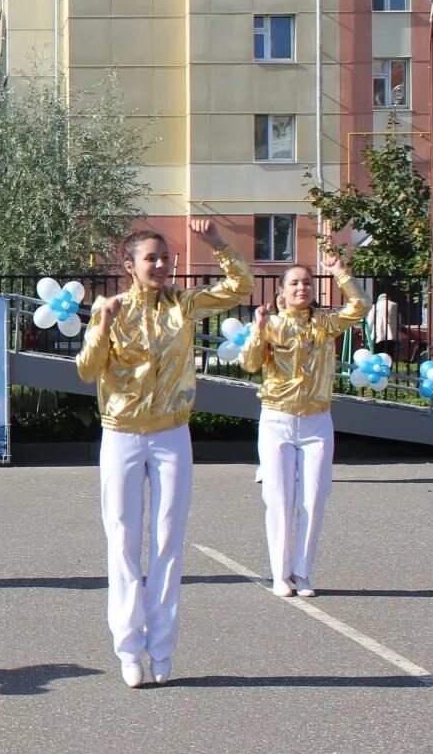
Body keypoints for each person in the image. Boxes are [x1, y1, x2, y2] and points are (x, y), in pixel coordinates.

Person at [76, 218, 251, 689]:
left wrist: (216, 241)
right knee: (124, 540)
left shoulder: (184, 304)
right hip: (123, 434)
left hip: (172, 432)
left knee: (170, 540)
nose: (159, 265)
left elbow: (241, 287)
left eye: (164, 258)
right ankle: (129, 648)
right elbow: (87, 372)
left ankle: (163, 648)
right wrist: (102, 326)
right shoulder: (110, 309)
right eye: (150, 258)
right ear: (129, 266)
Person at [240, 248, 368, 599]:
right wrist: (259, 329)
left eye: (307, 283)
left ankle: (303, 572)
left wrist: (341, 274)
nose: (302, 288)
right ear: (281, 291)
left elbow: (360, 308)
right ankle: (280, 574)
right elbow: (250, 364)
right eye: (294, 283)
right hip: (278, 418)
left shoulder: (324, 323)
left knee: (313, 498)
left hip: (316, 421)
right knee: (279, 498)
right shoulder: (270, 323)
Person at [368, 288, 400, 357]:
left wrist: (368, 332)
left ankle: (379, 367)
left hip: (378, 335)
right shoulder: (395, 305)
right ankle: (388, 367)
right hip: (392, 335)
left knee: (378, 354)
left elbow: (370, 321)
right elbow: (399, 320)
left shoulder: (375, 306)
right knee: (389, 354)